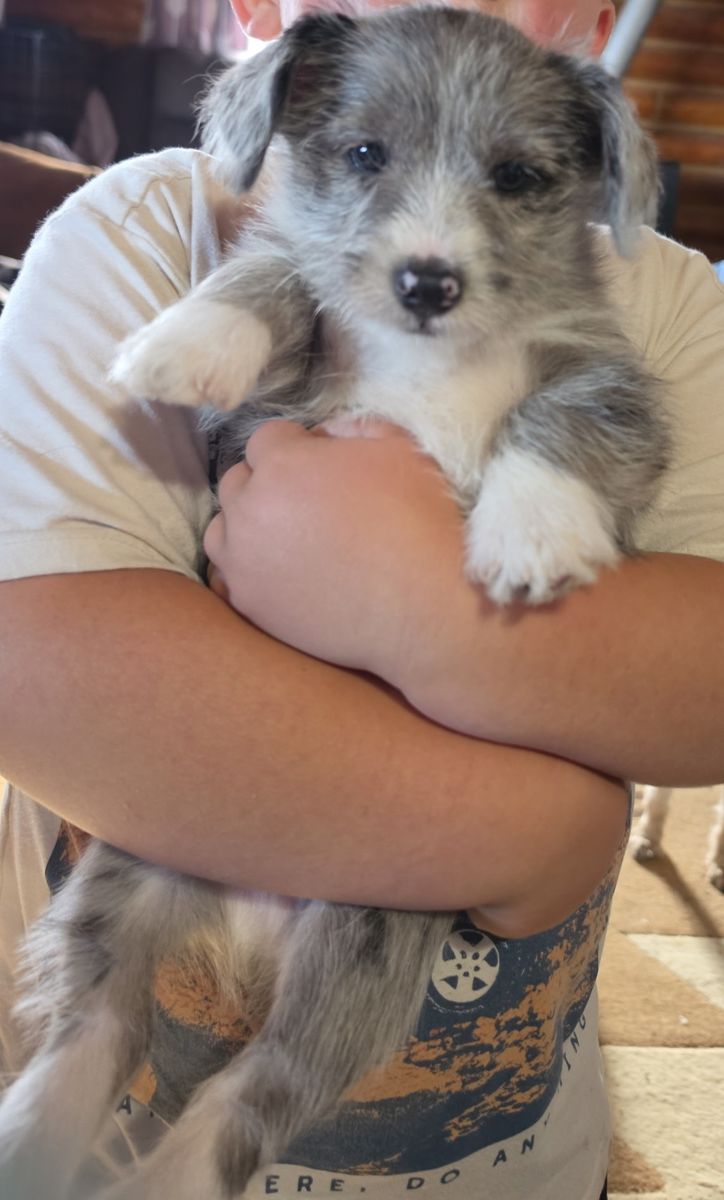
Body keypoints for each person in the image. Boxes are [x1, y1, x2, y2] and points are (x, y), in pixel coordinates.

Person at [0, 0, 722, 1196]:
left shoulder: (667, 307)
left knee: (344, 996)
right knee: (108, 967)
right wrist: (537, 830)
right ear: (262, 28)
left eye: (512, 174)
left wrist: (430, 615)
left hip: (515, 1151)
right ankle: (66, 1083)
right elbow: (28, 666)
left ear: (593, 31)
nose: (430, 238)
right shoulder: (138, 238)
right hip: (173, 854)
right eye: (370, 156)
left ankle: (219, 1149)